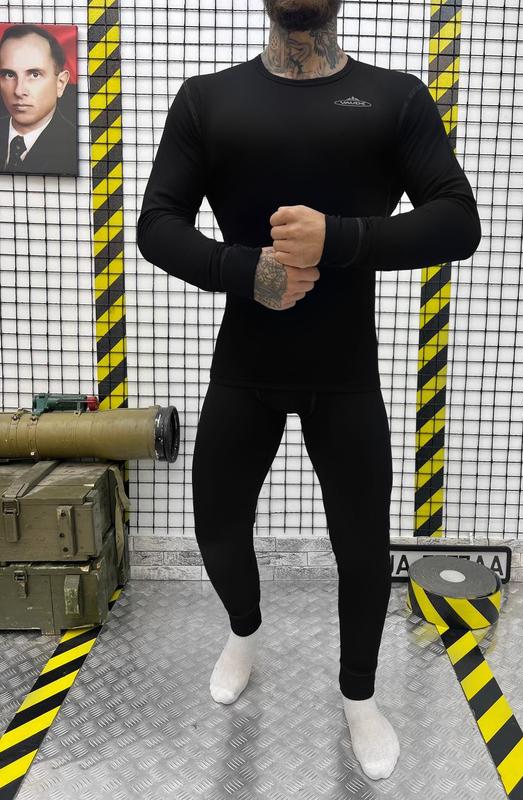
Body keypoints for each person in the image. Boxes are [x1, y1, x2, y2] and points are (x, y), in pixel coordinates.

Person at [137, 0, 481, 782]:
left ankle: (360, 697)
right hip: (245, 367)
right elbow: (158, 224)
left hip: (344, 373)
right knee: (217, 525)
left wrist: (343, 236)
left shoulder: (393, 98)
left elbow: (457, 220)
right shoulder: (208, 100)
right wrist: (243, 271)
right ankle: (244, 632)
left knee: (362, 549)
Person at [0, 24, 76, 176]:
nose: (18, 91)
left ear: (60, 83)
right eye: (9, 75)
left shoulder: (74, 145)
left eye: (34, 75)